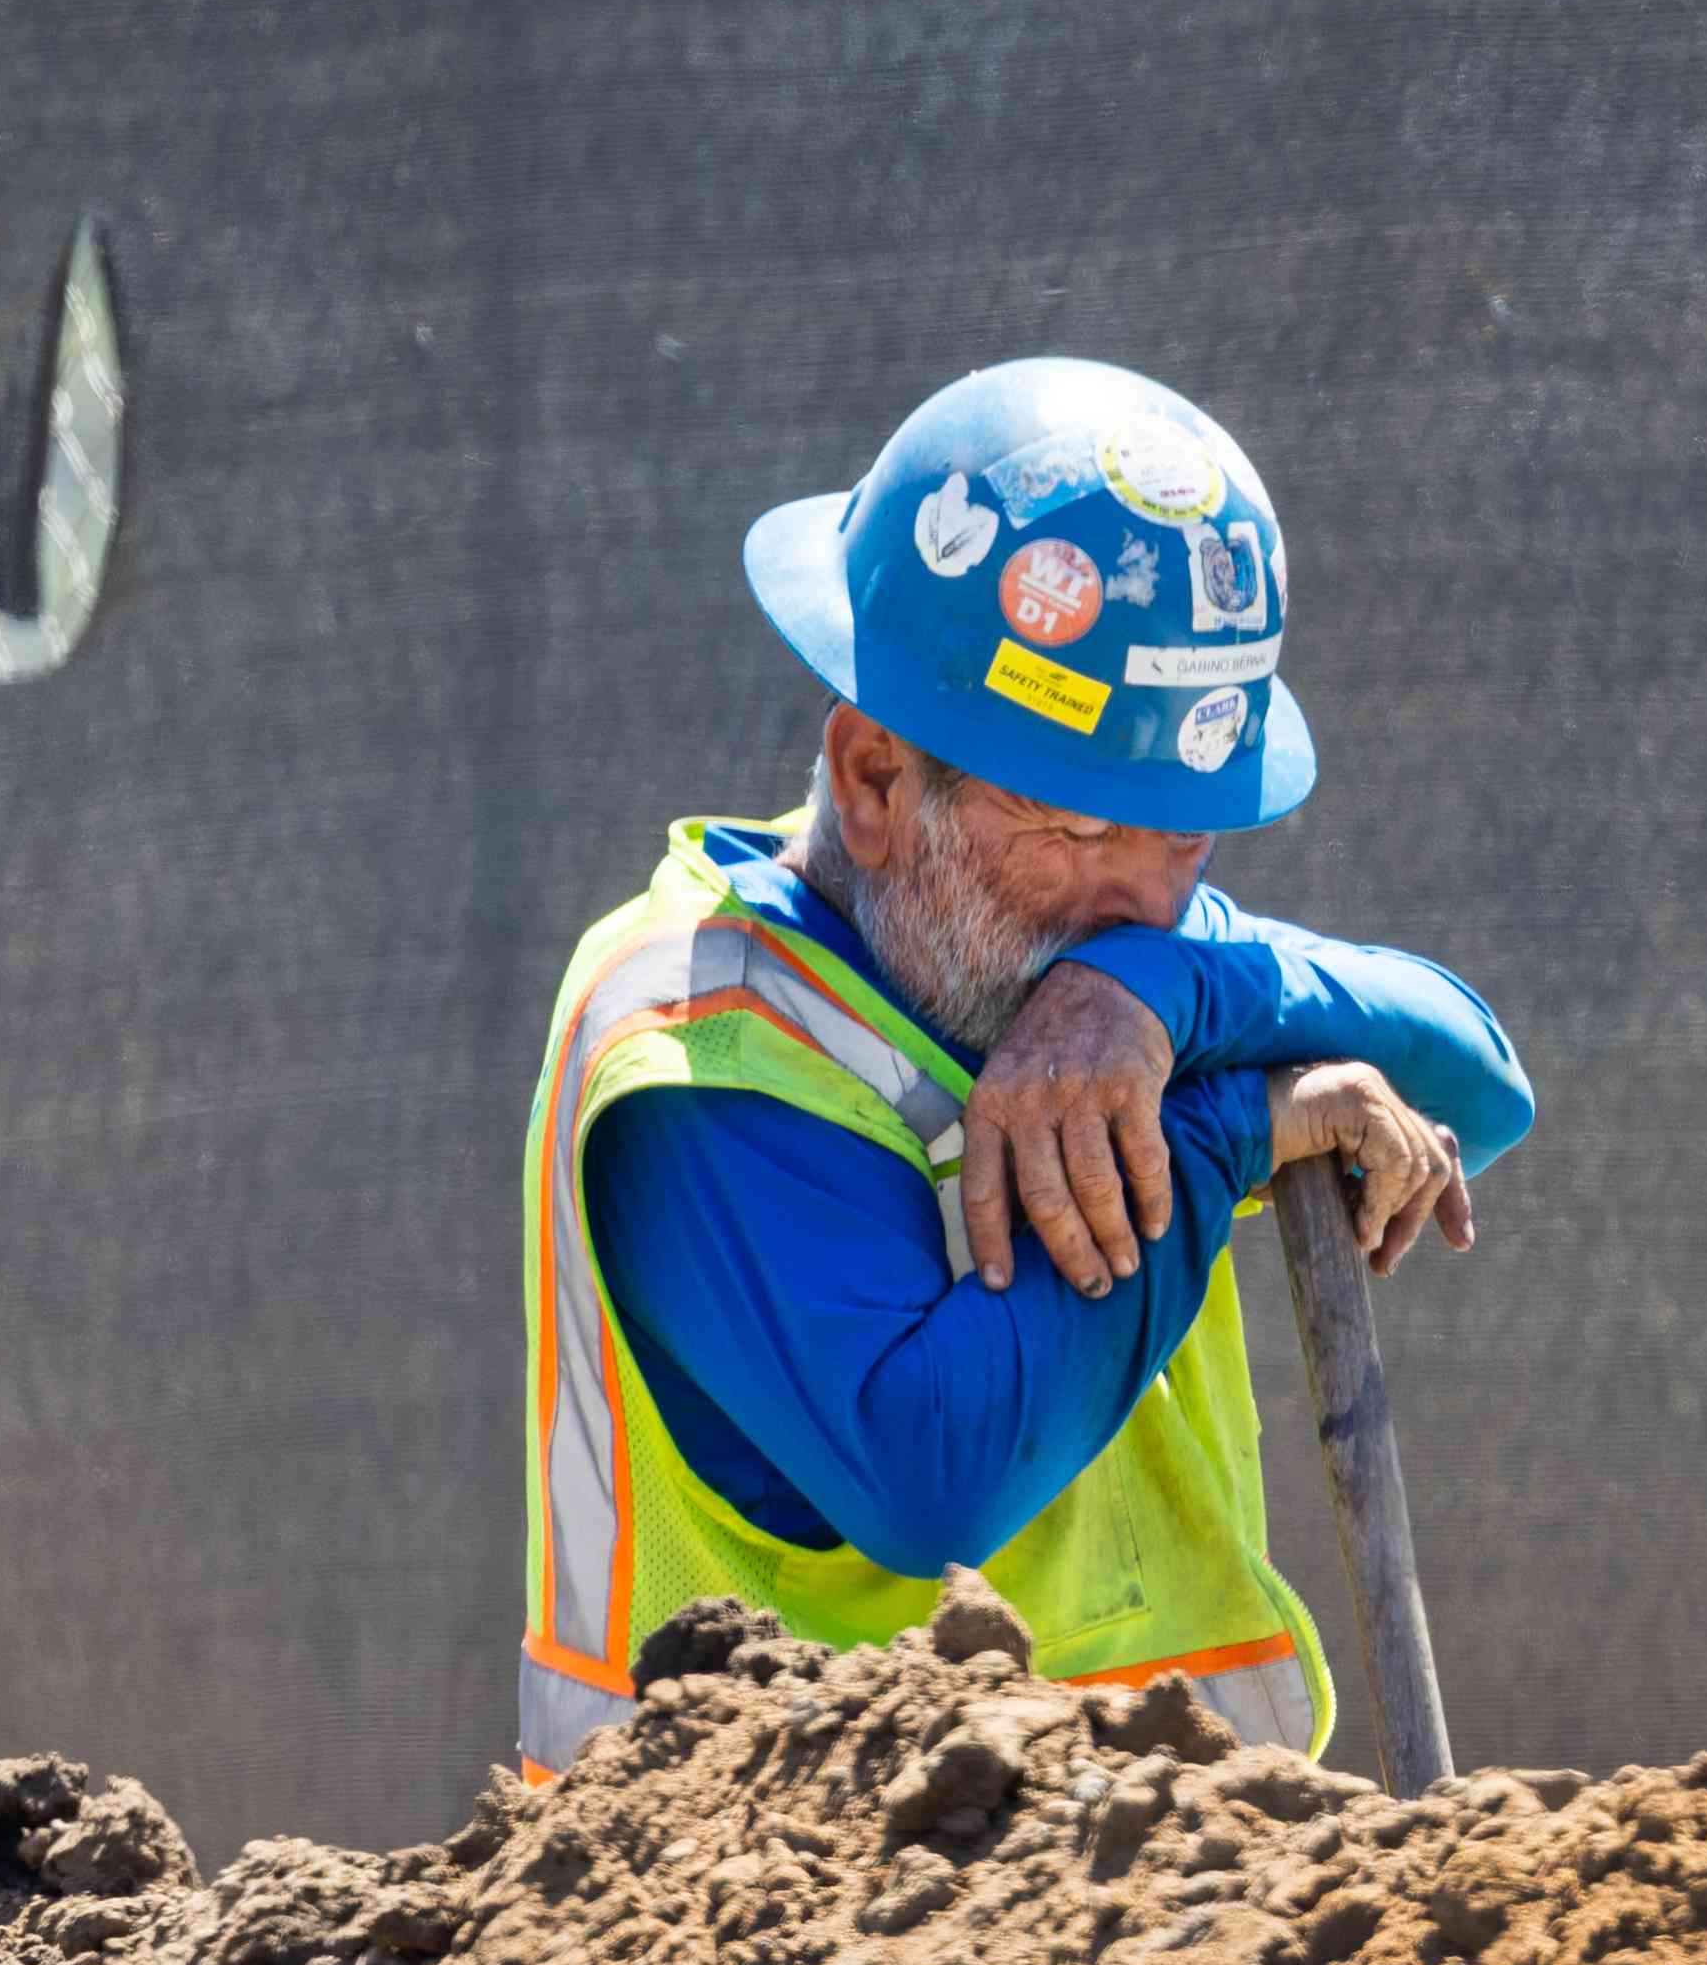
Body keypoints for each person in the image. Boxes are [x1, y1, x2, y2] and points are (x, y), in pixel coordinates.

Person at [513, 358, 1536, 1781]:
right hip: (779, 1957)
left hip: (1193, 1926)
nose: (1139, 895)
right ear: (874, 780)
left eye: (1185, 843)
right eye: (1073, 830)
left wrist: (1174, 986)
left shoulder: (1107, 958)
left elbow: (1479, 1080)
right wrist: (1241, 1121)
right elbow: (933, 1472)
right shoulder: (693, 1039)